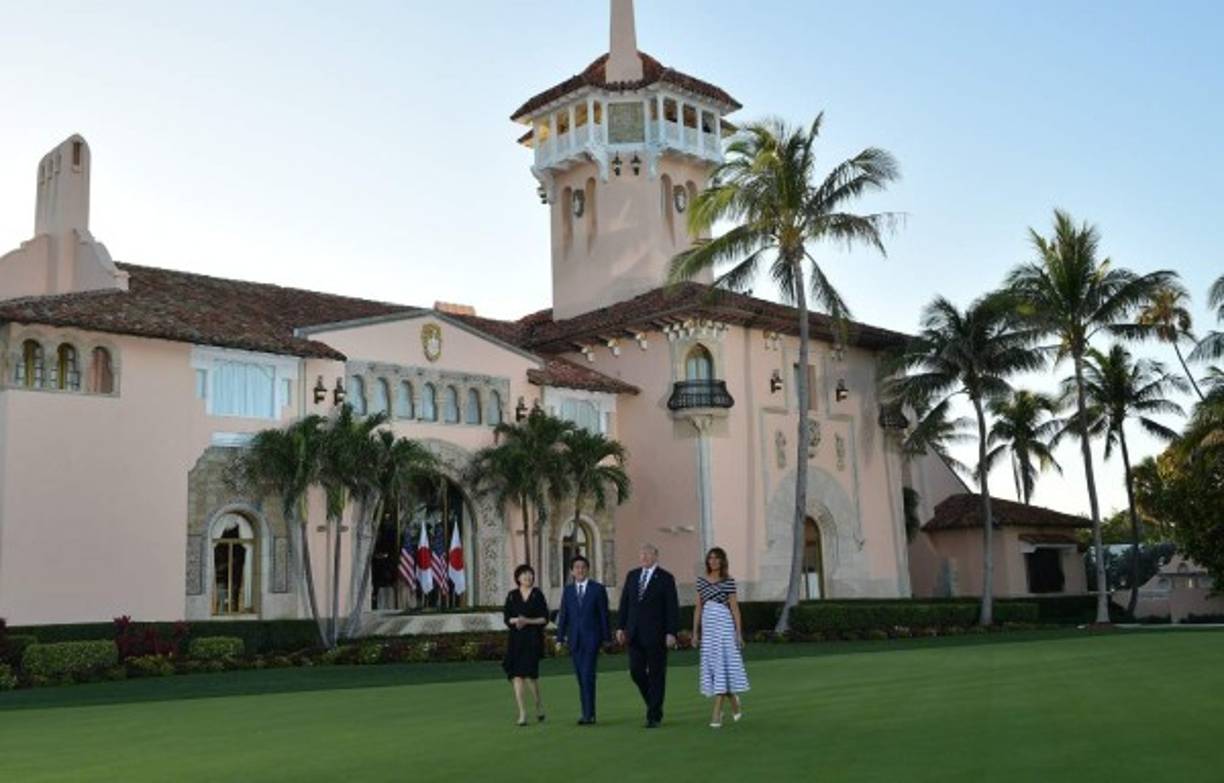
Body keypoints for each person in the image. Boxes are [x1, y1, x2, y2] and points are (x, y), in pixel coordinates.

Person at [616, 543, 679, 728]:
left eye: (647, 554)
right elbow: (625, 603)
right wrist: (620, 627)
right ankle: (653, 703)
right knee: (636, 672)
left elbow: (672, 608)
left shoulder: (666, 578)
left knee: (657, 675)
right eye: (641, 554)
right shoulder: (633, 576)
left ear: (655, 556)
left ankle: (654, 716)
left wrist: (671, 632)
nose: (643, 557)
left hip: (657, 635)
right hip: (634, 634)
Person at [693, 546, 750, 728]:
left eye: (717, 558)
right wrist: (695, 632)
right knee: (716, 667)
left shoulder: (728, 581)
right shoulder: (701, 582)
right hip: (709, 628)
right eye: (710, 558)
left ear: (722, 561)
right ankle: (733, 701)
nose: (713, 561)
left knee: (722, 664)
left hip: (724, 626)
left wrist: (738, 633)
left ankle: (716, 713)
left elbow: (735, 609)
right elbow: (698, 608)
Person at [555, 554, 611, 725]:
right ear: (572, 571)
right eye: (576, 567)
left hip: (592, 639)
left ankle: (588, 715)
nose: (580, 570)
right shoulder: (569, 591)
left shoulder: (597, 589)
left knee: (587, 675)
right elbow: (564, 615)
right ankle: (588, 712)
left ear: (587, 569)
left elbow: (604, 615)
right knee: (581, 677)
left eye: (583, 567)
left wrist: (607, 637)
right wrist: (559, 638)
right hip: (575, 640)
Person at [502, 563, 549, 726]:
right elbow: (507, 618)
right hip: (516, 640)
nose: (528, 577)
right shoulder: (512, 596)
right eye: (524, 575)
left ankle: (538, 705)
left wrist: (526, 621)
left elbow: (544, 618)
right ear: (518, 578)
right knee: (517, 676)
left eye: (530, 575)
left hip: (532, 639)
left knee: (530, 676)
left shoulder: (538, 595)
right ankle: (522, 713)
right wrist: (515, 621)